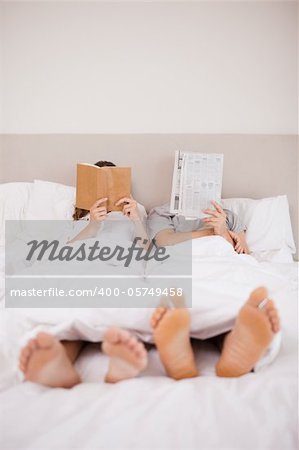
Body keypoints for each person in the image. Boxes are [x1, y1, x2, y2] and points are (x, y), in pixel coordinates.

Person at [19, 286, 280, 385]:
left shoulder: (141, 214)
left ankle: (235, 343)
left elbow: (152, 244)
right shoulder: (77, 219)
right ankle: (57, 364)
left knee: (72, 318)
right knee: (210, 311)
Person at [147, 200, 249, 254]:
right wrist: (213, 233)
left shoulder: (227, 216)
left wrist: (223, 233)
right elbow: (165, 242)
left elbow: (244, 254)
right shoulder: (162, 213)